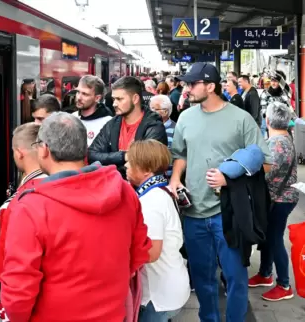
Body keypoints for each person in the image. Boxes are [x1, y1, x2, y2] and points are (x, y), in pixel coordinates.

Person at [0, 112, 152, 322]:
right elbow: (139, 253)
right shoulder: (124, 191)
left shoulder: (30, 207)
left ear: (43, 150)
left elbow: (18, 289)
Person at [169, 62, 272, 322]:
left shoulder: (241, 119)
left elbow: (266, 162)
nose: (187, 88)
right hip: (193, 212)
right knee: (203, 279)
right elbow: (180, 154)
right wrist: (175, 179)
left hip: (229, 214)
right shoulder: (185, 117)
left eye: (192, 84)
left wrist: (230, 178)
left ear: (210, 87)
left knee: (236, 277)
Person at [126, 140, 190, 322]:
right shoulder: (158, 192)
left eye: (130, 162)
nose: (125, 166)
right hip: (168, 286)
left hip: (159, 295)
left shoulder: (151, 202)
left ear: (146, 170)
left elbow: (152, 252)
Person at [0, 123, 47, 322]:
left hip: (21, 300)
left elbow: (15, 262)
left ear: (19, 153)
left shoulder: (17, 204)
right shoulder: (56, 184)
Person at [248, 102, 298, 301]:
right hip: (282, 196)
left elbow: (267, 173)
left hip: (280, 198)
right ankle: (265, 273)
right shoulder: (285, 137)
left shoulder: (276, 143)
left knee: (275, 239)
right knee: (269, 237)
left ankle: (284, 284)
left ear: (267, 120)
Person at [88, 76, 167, 178]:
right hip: (116, 186)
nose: (114, 104)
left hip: (142, 191)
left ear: (135, 99)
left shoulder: (154, 126)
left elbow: (147, 163)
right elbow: (92, 154)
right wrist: (124, 156)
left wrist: (111, 165)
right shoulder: (112, 124)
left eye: (119, 99)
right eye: (113, 99)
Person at [73, 75, 113, 146]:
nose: (79, 97)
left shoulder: (108, 123)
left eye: (85, 94)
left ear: (97, 98)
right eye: (78, 92)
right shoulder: (72, 118)